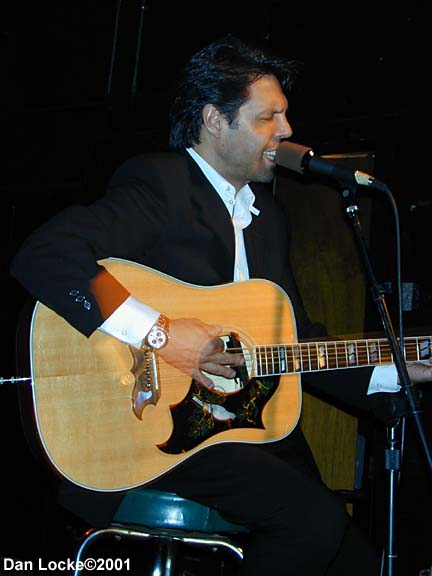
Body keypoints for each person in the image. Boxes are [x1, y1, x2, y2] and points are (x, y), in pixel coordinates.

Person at [11, 35, 432, 575]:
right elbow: (47, 255)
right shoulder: (160, 184)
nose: (285, 132)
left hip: (241, 431)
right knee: (311, 524)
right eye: (268, 117)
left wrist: (394, 367)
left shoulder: (269, 220)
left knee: (356, 560)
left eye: (284, 117)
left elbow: (295, 342)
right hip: (156, 431)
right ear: (215, 120)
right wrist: (161, 334)